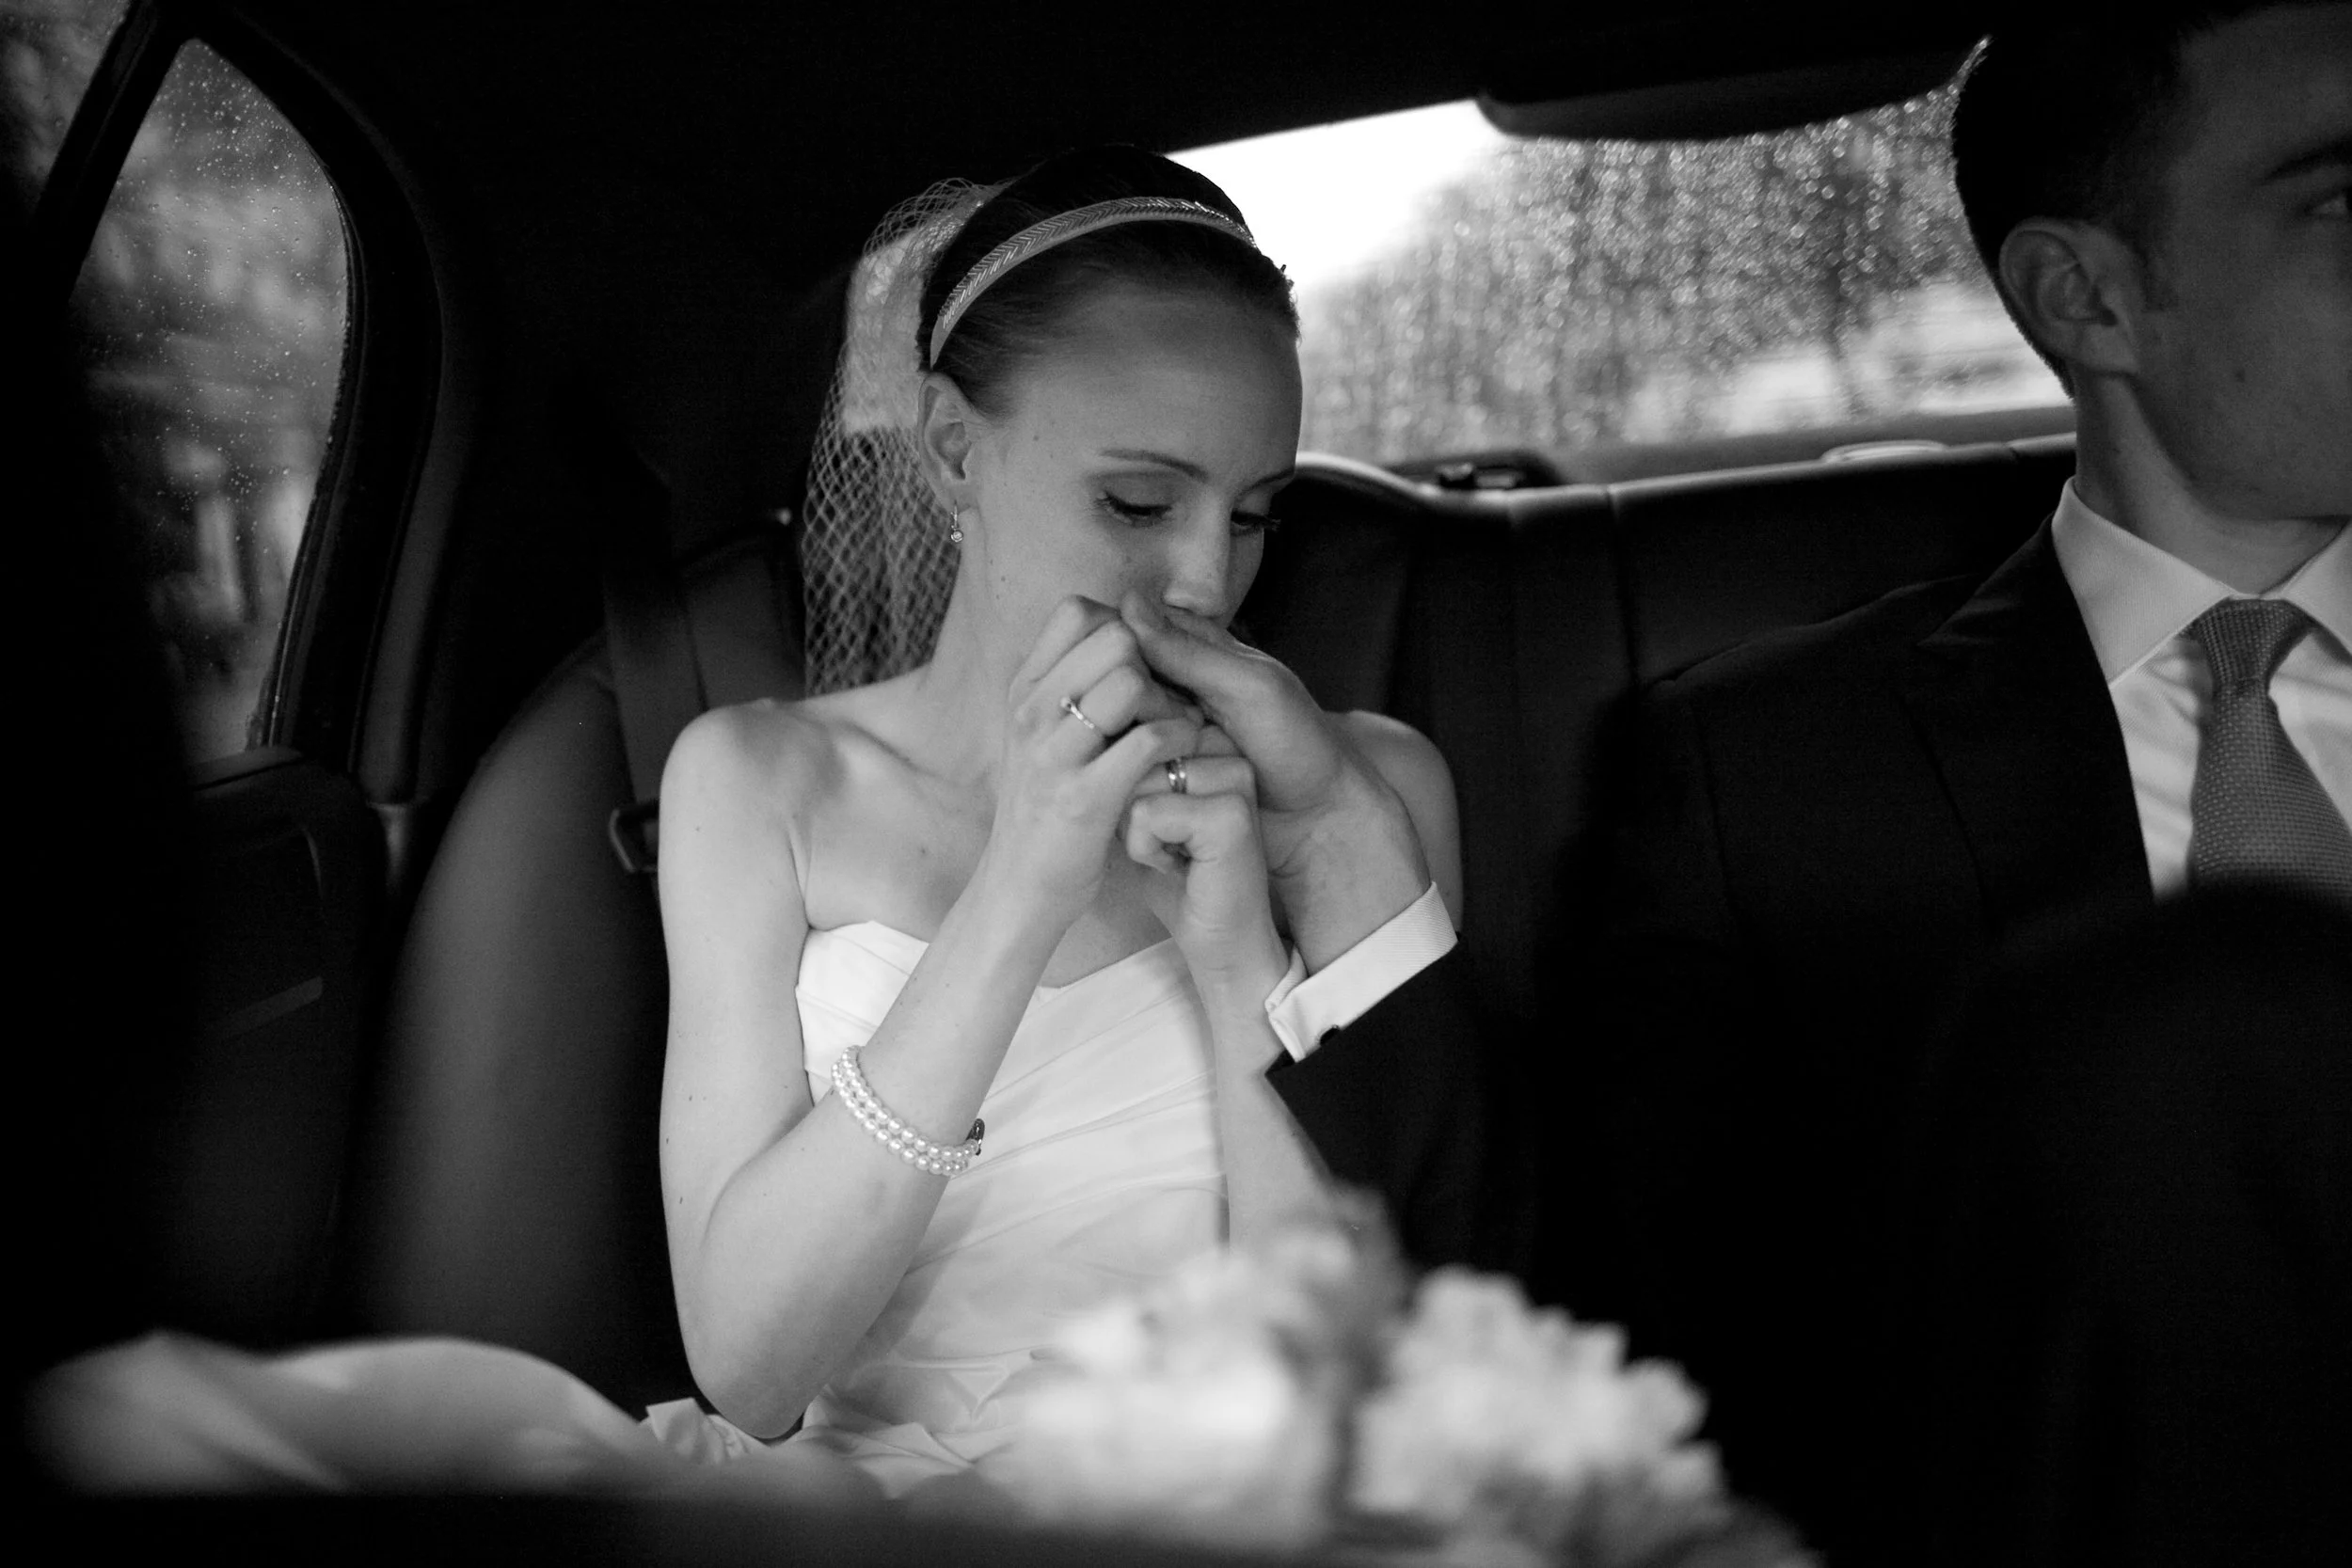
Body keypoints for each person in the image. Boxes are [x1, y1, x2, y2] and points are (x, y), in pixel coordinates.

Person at [1140, 0, 2351, 1556]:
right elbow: (1592, 1317)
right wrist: (1346, 838)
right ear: (2090, 298)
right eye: (2337, 198)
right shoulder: (1757, 778)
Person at [651, 145, 1463, 1494]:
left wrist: (1236, 960)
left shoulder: (1366, 791)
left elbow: (1335, 1381)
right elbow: (750, 1369)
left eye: (1257, 514)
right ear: (954, 454)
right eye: (1137, 501)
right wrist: (1019, 885)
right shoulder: (757, 784)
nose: (1207, 579)